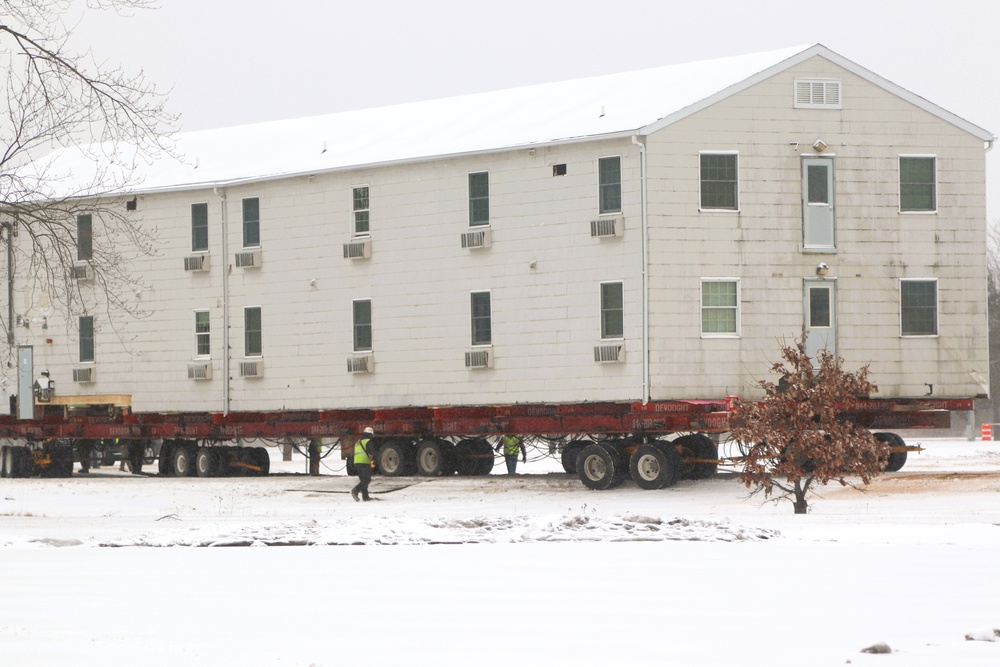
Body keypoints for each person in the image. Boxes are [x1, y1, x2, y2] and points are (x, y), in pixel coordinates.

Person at [351, 427, 376, 502]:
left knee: (363, 480)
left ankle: (365, 496)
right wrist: (373, 462)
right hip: (364, 463)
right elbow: (371, 453)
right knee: (367, 480)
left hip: (356, 463)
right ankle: (355, 490)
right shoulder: (368, 442)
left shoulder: (358, 442)